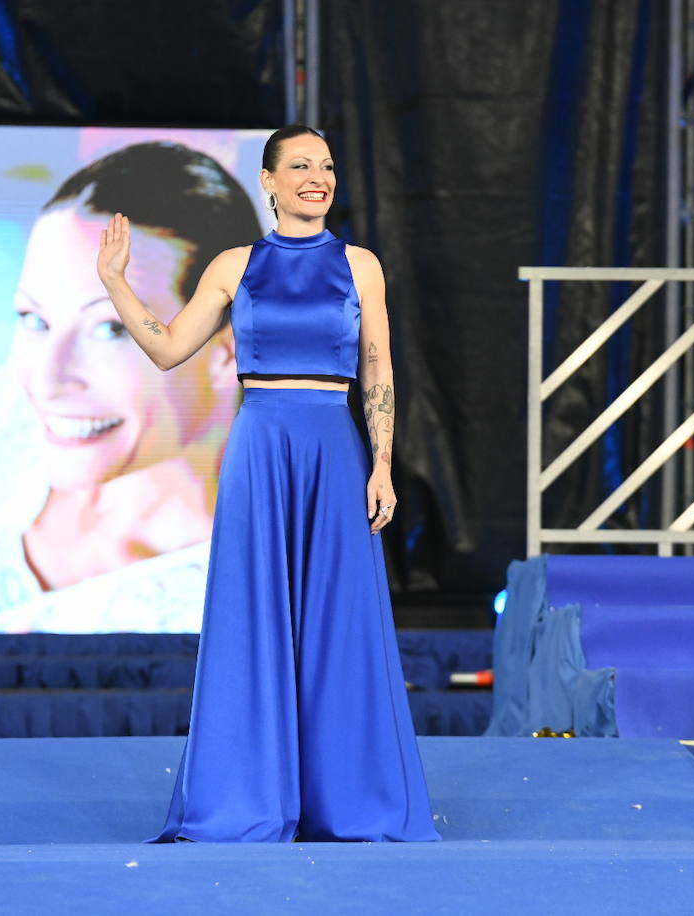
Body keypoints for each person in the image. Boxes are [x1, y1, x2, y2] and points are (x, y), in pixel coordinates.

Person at [97, 125, 439, 842]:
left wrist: (381, 462)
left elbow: (377, 368)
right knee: (252, 617)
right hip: (261, 446)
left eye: (327, 166)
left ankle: (349, 804)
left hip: (333, 444)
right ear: (269, 182)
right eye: (301, 166)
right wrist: (115, 284)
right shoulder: (233, 264)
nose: (318, 177)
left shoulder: (361, 266)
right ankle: (250, 798)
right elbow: (165, 349)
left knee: (339, 623)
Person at [0, 142, 257, 633]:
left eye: (110, 329)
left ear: (227, 352)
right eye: (33, 318)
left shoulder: (221, 609)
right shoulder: (25, 408)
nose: (46, 379)